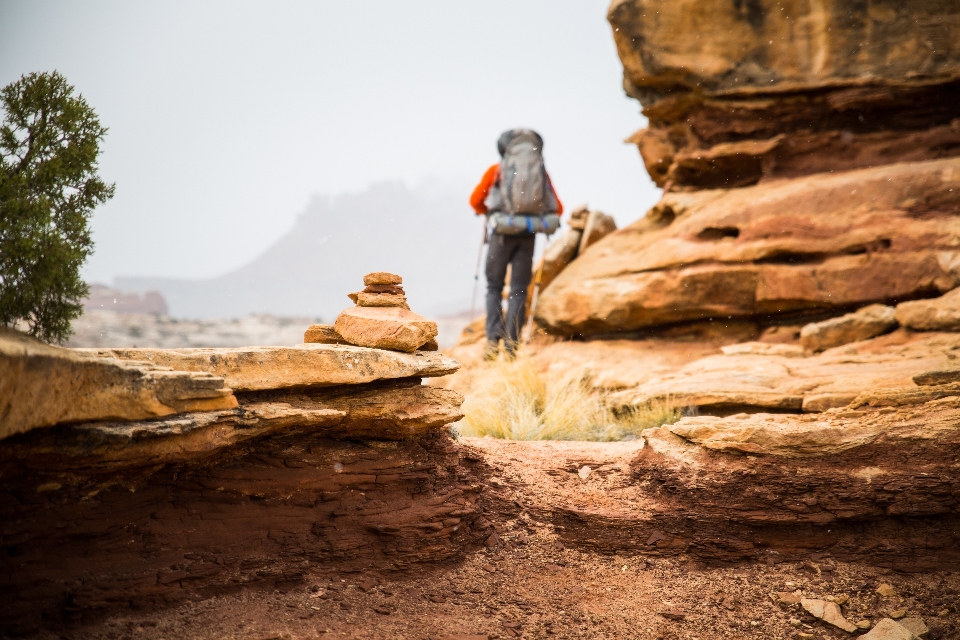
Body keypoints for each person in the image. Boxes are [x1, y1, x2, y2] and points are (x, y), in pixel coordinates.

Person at [469, 128, 563, 359]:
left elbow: (475, 201)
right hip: (528, 236)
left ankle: (492, 343)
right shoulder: (540, 173)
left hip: (501, 235)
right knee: (519, 291)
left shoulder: (497, 171)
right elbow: (557, 208)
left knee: (494, 287)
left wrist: (491, 213)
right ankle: (512, 346)